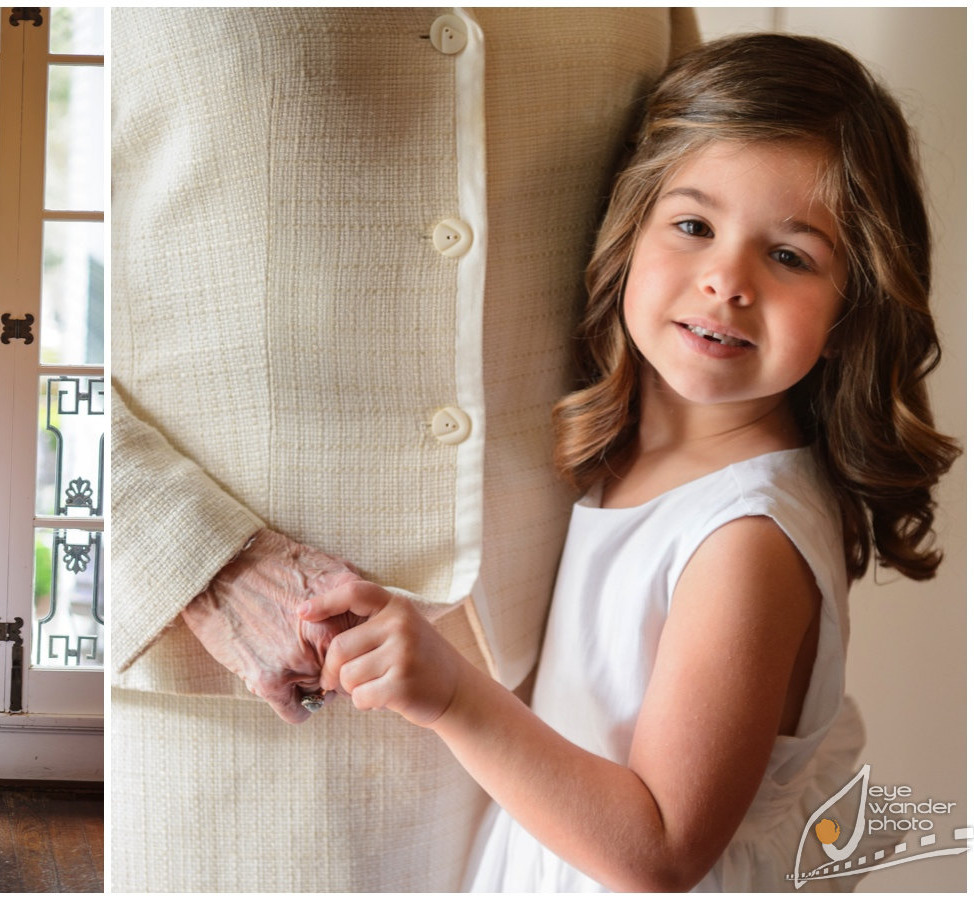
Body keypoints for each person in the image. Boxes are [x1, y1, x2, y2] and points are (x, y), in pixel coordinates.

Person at [302, 33, 960, 891]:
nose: (727, 280)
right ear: (628, 233)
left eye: (789, 256)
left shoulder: (747, 543)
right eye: (694, 226)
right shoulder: (633, 460)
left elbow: (660, 850)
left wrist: (454, 696)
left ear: (851, 312)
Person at [110, 9, 700, 891]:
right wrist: (201, 560)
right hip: (235, 704)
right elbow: (39, 307)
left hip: (571, 691)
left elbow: (709, 196)